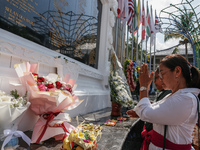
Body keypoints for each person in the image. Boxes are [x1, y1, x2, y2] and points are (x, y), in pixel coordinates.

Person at [127, 54, 200, 150]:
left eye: (162, 73)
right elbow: (155, 109)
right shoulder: (177, 96)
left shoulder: (186, 99)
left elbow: (146, 113)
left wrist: (144, 86)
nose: (160, 78)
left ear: (177, 71)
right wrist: (141, 111)